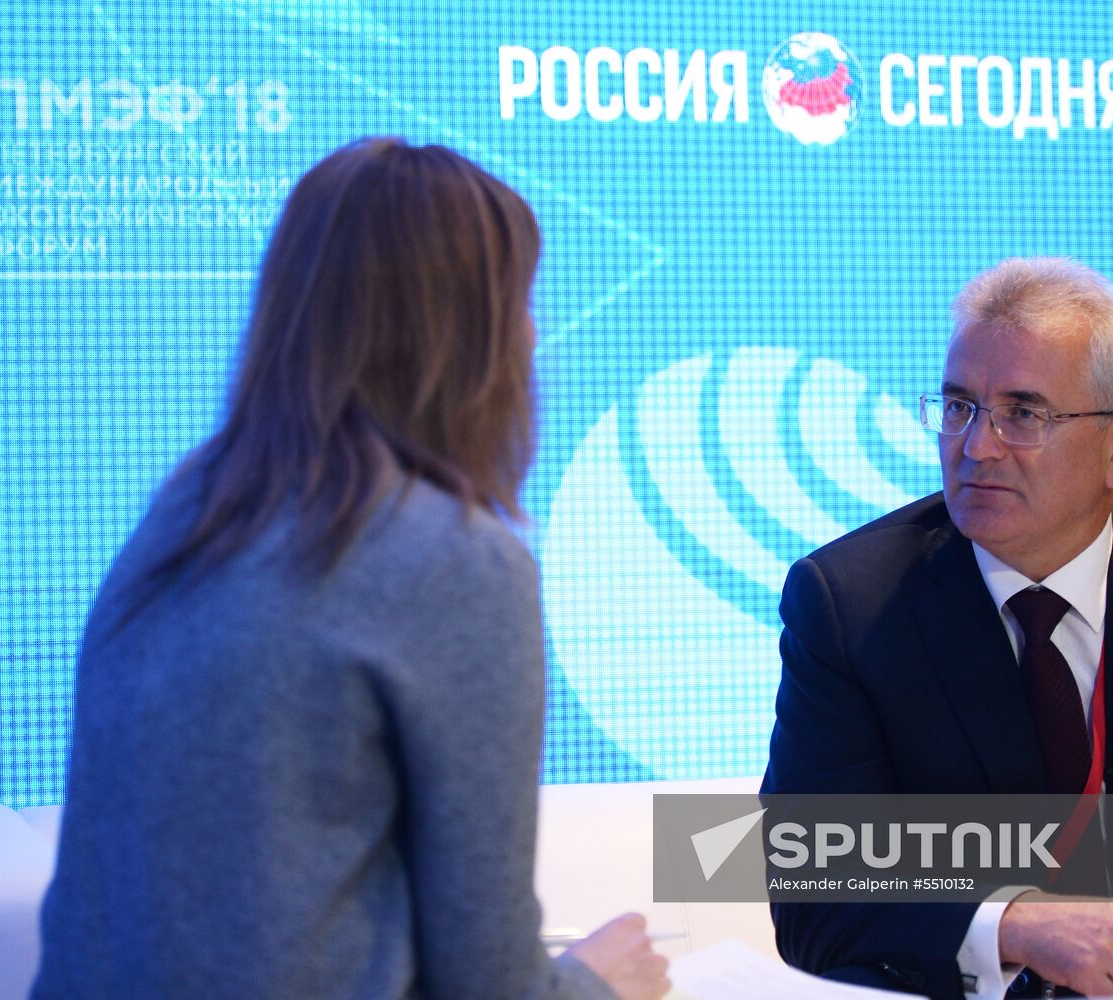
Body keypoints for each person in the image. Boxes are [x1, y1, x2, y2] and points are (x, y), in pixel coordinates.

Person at [33, 138, 670, 1000]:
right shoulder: (455, 563)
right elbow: (489, 983)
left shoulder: (182, 514)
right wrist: (598, 983)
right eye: (520, 301)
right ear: (472, 335)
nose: (532, 333)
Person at [761, 257, 1113, 999]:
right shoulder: (849, 605)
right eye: (959, 407)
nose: (976, 445)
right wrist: (1013, 923)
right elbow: (815, 896)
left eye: (1024, 413)